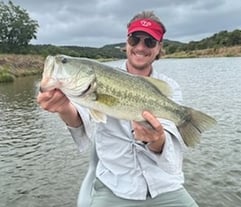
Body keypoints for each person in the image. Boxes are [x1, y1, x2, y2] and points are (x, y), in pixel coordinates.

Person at [37, 10, 199, 207]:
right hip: (116, 186)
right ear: (126, 42)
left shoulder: (168, 86)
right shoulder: (89, 86)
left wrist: (156, 140)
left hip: (164, 185)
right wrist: (63, 108)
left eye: (149, 42)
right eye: (134, 39)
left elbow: (170, 145)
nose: (140, 47)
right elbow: (81, 119)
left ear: (159, 48)